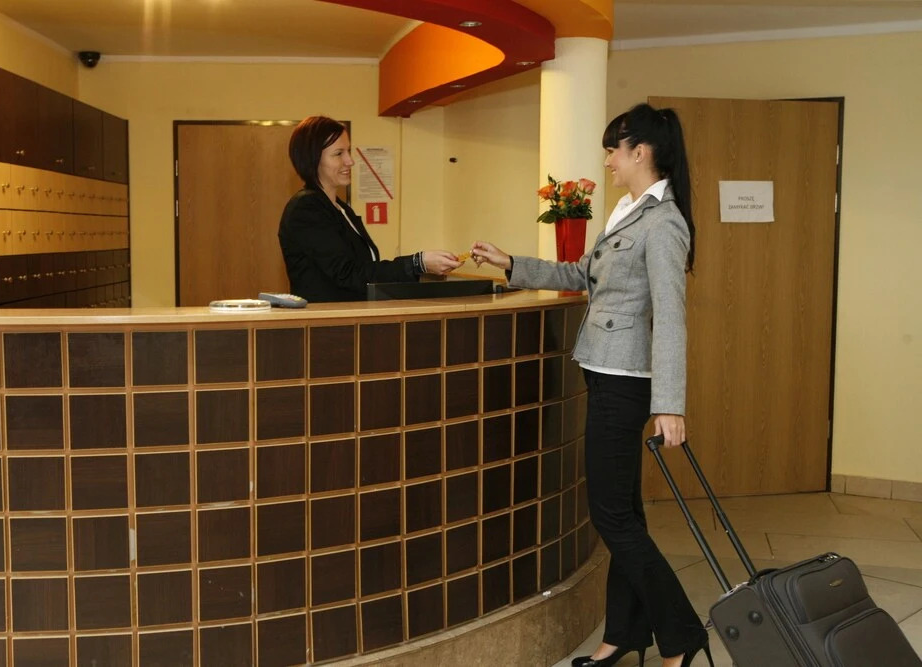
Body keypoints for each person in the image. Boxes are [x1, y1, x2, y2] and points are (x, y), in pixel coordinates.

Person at [470, 103, 711, 667]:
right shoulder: (627, 212)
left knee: (611, 516)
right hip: (603, 374)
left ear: (640, 152)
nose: (607, 162)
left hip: (625, 384)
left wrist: (670, 404)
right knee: (626, 512)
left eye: (612, 151)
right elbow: (582, 274)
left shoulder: (663, 222)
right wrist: (511, 263)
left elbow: (670, 316)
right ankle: (624, 634)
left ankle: (682, 635)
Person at [278, 116, 461, 302]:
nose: (350, 161)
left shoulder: (342, 209)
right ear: (313, 159)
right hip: (328, 318)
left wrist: (418, 264)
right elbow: (347, 274)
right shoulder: (306, 208)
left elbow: (365, 270)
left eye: (348, 151)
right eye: (338, 153)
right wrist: (416, 263)